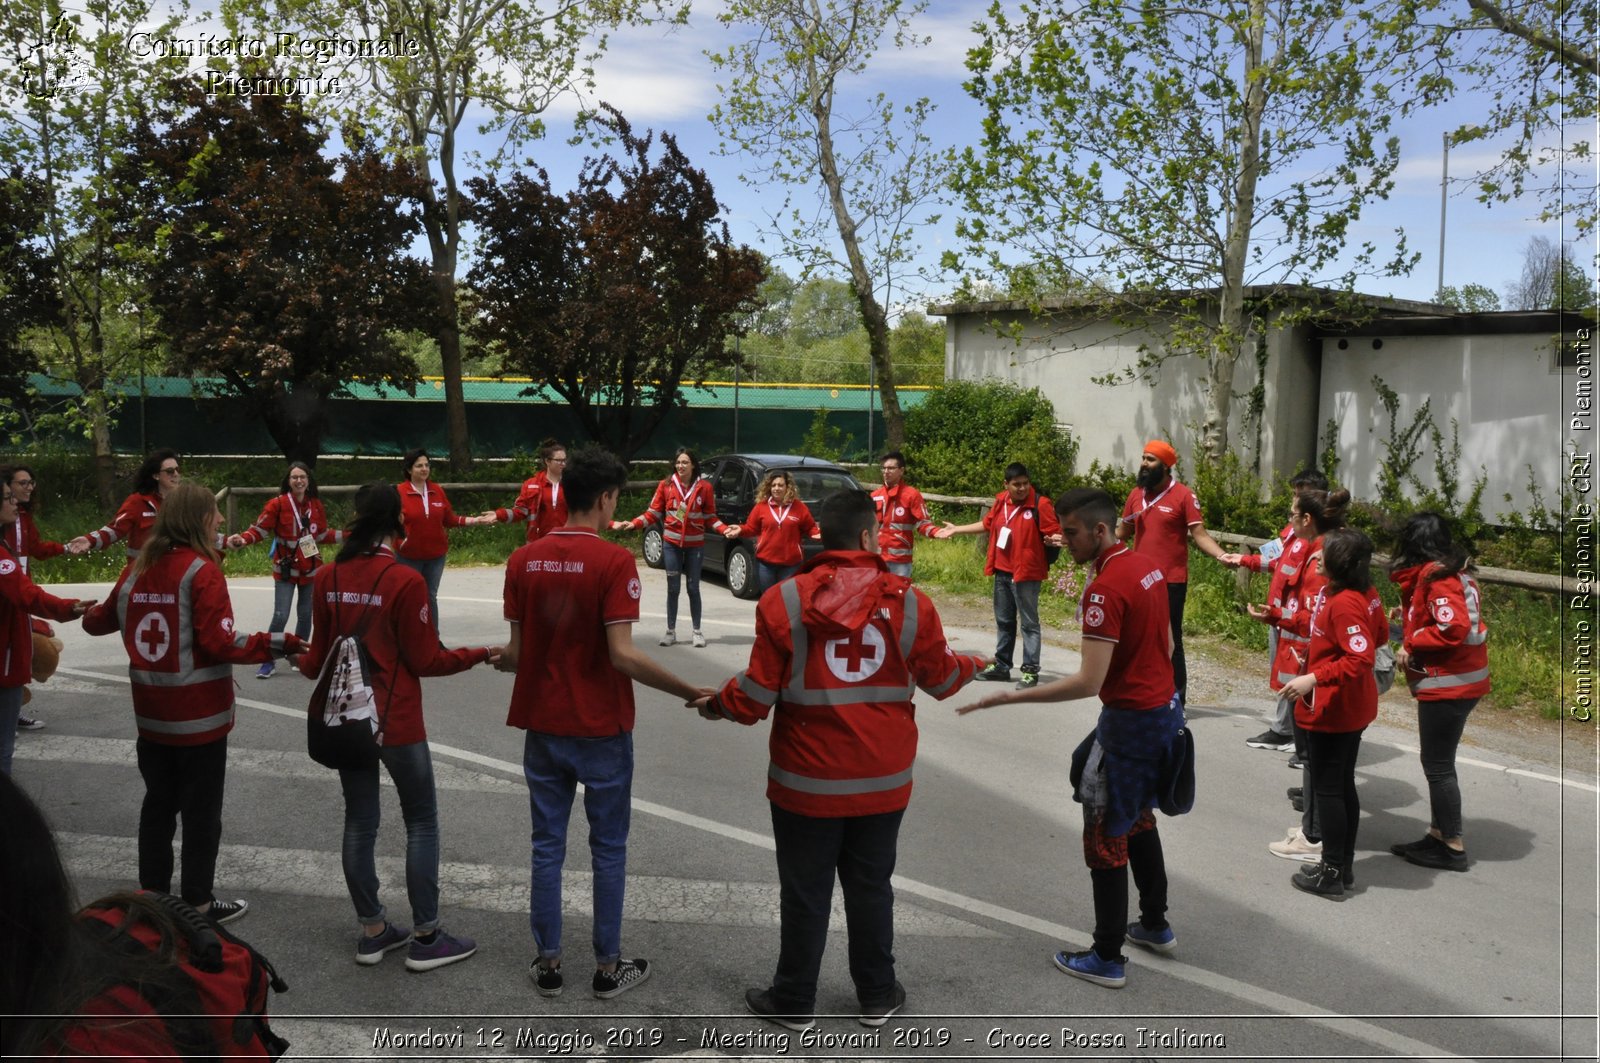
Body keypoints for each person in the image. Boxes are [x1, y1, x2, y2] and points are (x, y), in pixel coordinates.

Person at [695, 489, 985, 1031]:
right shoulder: (911, 603)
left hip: (805, 783)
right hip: (882, 782)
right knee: (871, 887)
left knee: (805, 892)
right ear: (870, 537)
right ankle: (876, 995)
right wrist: (973, 662)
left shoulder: (782, 602)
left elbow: (756, 697)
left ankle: (794, 1000)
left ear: (818, 536)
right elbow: (943, 680)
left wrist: (718, 705)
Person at [499, 446, 710, 1001]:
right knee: (608, 848)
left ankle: (547, 962)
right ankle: (608, 965)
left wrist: (493, 655)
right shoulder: (614, 563)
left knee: (547, 845)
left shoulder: (523, 561)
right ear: (607, 498)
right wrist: (691, 690)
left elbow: (517, 655)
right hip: (601, 728)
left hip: (543, 725)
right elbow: (622, 655)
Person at [958, 488, 1184, 990]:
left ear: (1101, 531)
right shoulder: (1146, 567)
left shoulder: (1104, 590)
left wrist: (1012, 698)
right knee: (1139, 814)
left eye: (1073, 531)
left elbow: (1089, 682)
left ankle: (1107, 956)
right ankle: (1154, 923)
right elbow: (1168, 644)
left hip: (1130, 723)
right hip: (1162, 714)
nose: (1062, 537)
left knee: (1106, 831)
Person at [297, 482, 499, 971]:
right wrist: (482, 653)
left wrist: (276, 648)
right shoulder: (406, 582)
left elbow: (314, 660)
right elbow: (427, 660)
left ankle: (372, 931)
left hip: (348, 719)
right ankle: (427, 938)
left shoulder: (327, 576)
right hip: (398, 719)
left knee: (360, 821)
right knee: (421, 821)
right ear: (396, 525)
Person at [82, 482, 302, 924]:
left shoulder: (137, 569)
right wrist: (283, 643)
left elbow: (95, 623)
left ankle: (152, 903)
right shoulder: (201, 571)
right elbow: (221, 642)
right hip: (199, 720)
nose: (221, 521)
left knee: (157, 807)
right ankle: (198, 904)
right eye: (214, 515)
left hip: (151, 718)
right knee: (202, 816)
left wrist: (83, 610)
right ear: (198, 520)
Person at [1278, 527, 1385, 899]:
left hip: (1336, 709)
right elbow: (1381, 634)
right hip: (1352, 706)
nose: (1316, 556)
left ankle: (1333, 872)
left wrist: (1314, 676)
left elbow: (1361, 656)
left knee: (1329, 791)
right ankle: (1344, 866)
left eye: (1325, 552)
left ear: (1342, 562)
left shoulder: (1346, 601)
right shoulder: (1360, 594)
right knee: (1341, 787)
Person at [1387, 512, 1489, 873]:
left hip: (1450, 683)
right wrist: (1410, 619)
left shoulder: (1438, 578)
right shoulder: (1453, 572)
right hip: (1460, 679)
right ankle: (1437, 833)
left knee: (1438, 766)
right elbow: (1441, 617)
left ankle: (1452, 846)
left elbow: (1453, 627)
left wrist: (1411, 641)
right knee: (1437, 763)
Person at [1260, 488, 1352, 864]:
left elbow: (1339, 637)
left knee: (1316, 760)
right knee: (1316, 762)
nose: (1290, 517)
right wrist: (1277, 616)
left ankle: (1315, 838)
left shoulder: (1325, 555)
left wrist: (1310, 676)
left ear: (1308, 518)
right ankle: (1314, 830)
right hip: (1309, 661)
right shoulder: (1322, 547)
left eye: (1293, 511)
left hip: (1313, 669)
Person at [1222, 469, 1330, 752]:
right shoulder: (1294, 532)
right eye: (1294, 494)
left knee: (1299, 673)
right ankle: (1286, 730)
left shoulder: (1319, 539)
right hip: (1282, 615)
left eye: (1300, 495)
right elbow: (1277, 560)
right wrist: (1244, 559)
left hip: (1300, 619)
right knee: (1284, 672)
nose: (1293, 501)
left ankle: (1301, 738)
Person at [1116, 441, 1228, 704]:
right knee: (1136, 637)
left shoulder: (1184, 496)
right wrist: (1087, 538)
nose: (1144, 463)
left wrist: (1222, 555)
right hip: (1138, 581)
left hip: (1170, 582)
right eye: (1143, 457)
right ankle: (1142, 693)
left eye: (1151, 459)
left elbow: (1199, 534)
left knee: (1170, 641)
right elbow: (1123, 533)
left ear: (1166, 466)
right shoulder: (1136, 495)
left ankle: (1176, 699)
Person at [936, 461, 1062, 690]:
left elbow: (1055, 533)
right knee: (1004, 621)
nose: (1022, 488)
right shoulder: (1001, 501)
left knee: (1029, 624)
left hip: (1027, 574)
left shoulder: (1040, 504)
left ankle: (1030, 671)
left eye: (1025, 484)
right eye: (1016, 485)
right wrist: (957, 529)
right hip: (1002, 571)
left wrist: (1057, 539)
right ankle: (1003, 666)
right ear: (1006, 484)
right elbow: (986, 524)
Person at [0, 480, 91, 775]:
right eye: (8, 497)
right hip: (4, 666)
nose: (16, 502)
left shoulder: (17, 531)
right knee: (3, 753)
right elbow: (25, 594)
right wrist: (68, 607)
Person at [226, 462, 343, 679]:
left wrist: (348, 535)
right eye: (294, 477)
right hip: (286, 569)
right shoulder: (277, 504)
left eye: (303, 477)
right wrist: (243, 539)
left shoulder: (315, 505)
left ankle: (299, 656)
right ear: (288, 481)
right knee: (280, 615)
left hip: (311, 568)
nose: (299, 481)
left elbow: (320, 535)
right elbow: (259, 530)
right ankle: (267, 659)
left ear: (308, 481)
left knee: (306, 615)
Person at [611, 447, 736, 648]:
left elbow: (710, 516)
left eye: (685, 462)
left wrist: (723, 530)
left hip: (695, 546)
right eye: (678, 462)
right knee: (673, 588)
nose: (681, 466)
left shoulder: (704, 487)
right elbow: (653, 513)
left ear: (693, 465)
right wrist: (634, 523)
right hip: (671, 545)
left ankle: (697, 631)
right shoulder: (666, 485)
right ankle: (671, 631)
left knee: (693, 588)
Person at [4, 464, 67, 731]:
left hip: (20, 594)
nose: (29, 487)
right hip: (10, 594)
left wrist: (64, 547)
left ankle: (12, 710)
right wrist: (67, 609)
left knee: (20, 652)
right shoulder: (5, 519)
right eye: (22, 483)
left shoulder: (24, 518)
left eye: (32, 482)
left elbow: (37, 549)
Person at [395, 448, 487, 632]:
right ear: (409, 469)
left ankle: (432, 639)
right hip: (408, 557)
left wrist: (474, 520)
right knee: (409, 597)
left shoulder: (437, 490)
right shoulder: (399, 492)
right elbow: (391, 523)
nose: (424, 469)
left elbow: (450, 520)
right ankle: (406, 637)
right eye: (419, 465)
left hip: (435, 556)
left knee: (430, 597)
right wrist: (399, 542)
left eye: (427, 465)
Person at [65, 449, 182, 564]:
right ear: (156, 475)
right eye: (170, 471)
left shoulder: (184, 502)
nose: (176, 474)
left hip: (174, 574)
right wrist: (90, 540)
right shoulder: (138, 502)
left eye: (177, 469)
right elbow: (115, 530)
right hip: (142, 574)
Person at [730, 470, 820, 595]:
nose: (776, 488)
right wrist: (740, 529)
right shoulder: (761, 507)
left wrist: (818, 534)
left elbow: (810, 527)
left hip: (791, 564)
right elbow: (751, 528)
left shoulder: (799, 507)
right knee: (768, 599)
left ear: (788, 487)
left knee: (787, 599)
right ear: (769, 487)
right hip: (765, 564)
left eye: (780, 485)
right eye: (773, 485)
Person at [481, 438, 570, 544]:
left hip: (567, 542)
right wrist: (499, 515)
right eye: (559, 460)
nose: (563, 464)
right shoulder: (531, 485)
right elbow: (520, 512)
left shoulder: (573, 484)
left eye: (564, 460)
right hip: (538, 542)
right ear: (547, 461)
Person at [871, 451, 938, 579]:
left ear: (901, 470)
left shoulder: (911, 495)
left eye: (891, 468)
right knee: (877, 596)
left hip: (900, 561)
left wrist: (935, 532)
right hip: (877, 558)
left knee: (899, 596)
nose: (886, 472)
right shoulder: (875, 496)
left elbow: (923, 523)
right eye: (883, 468)